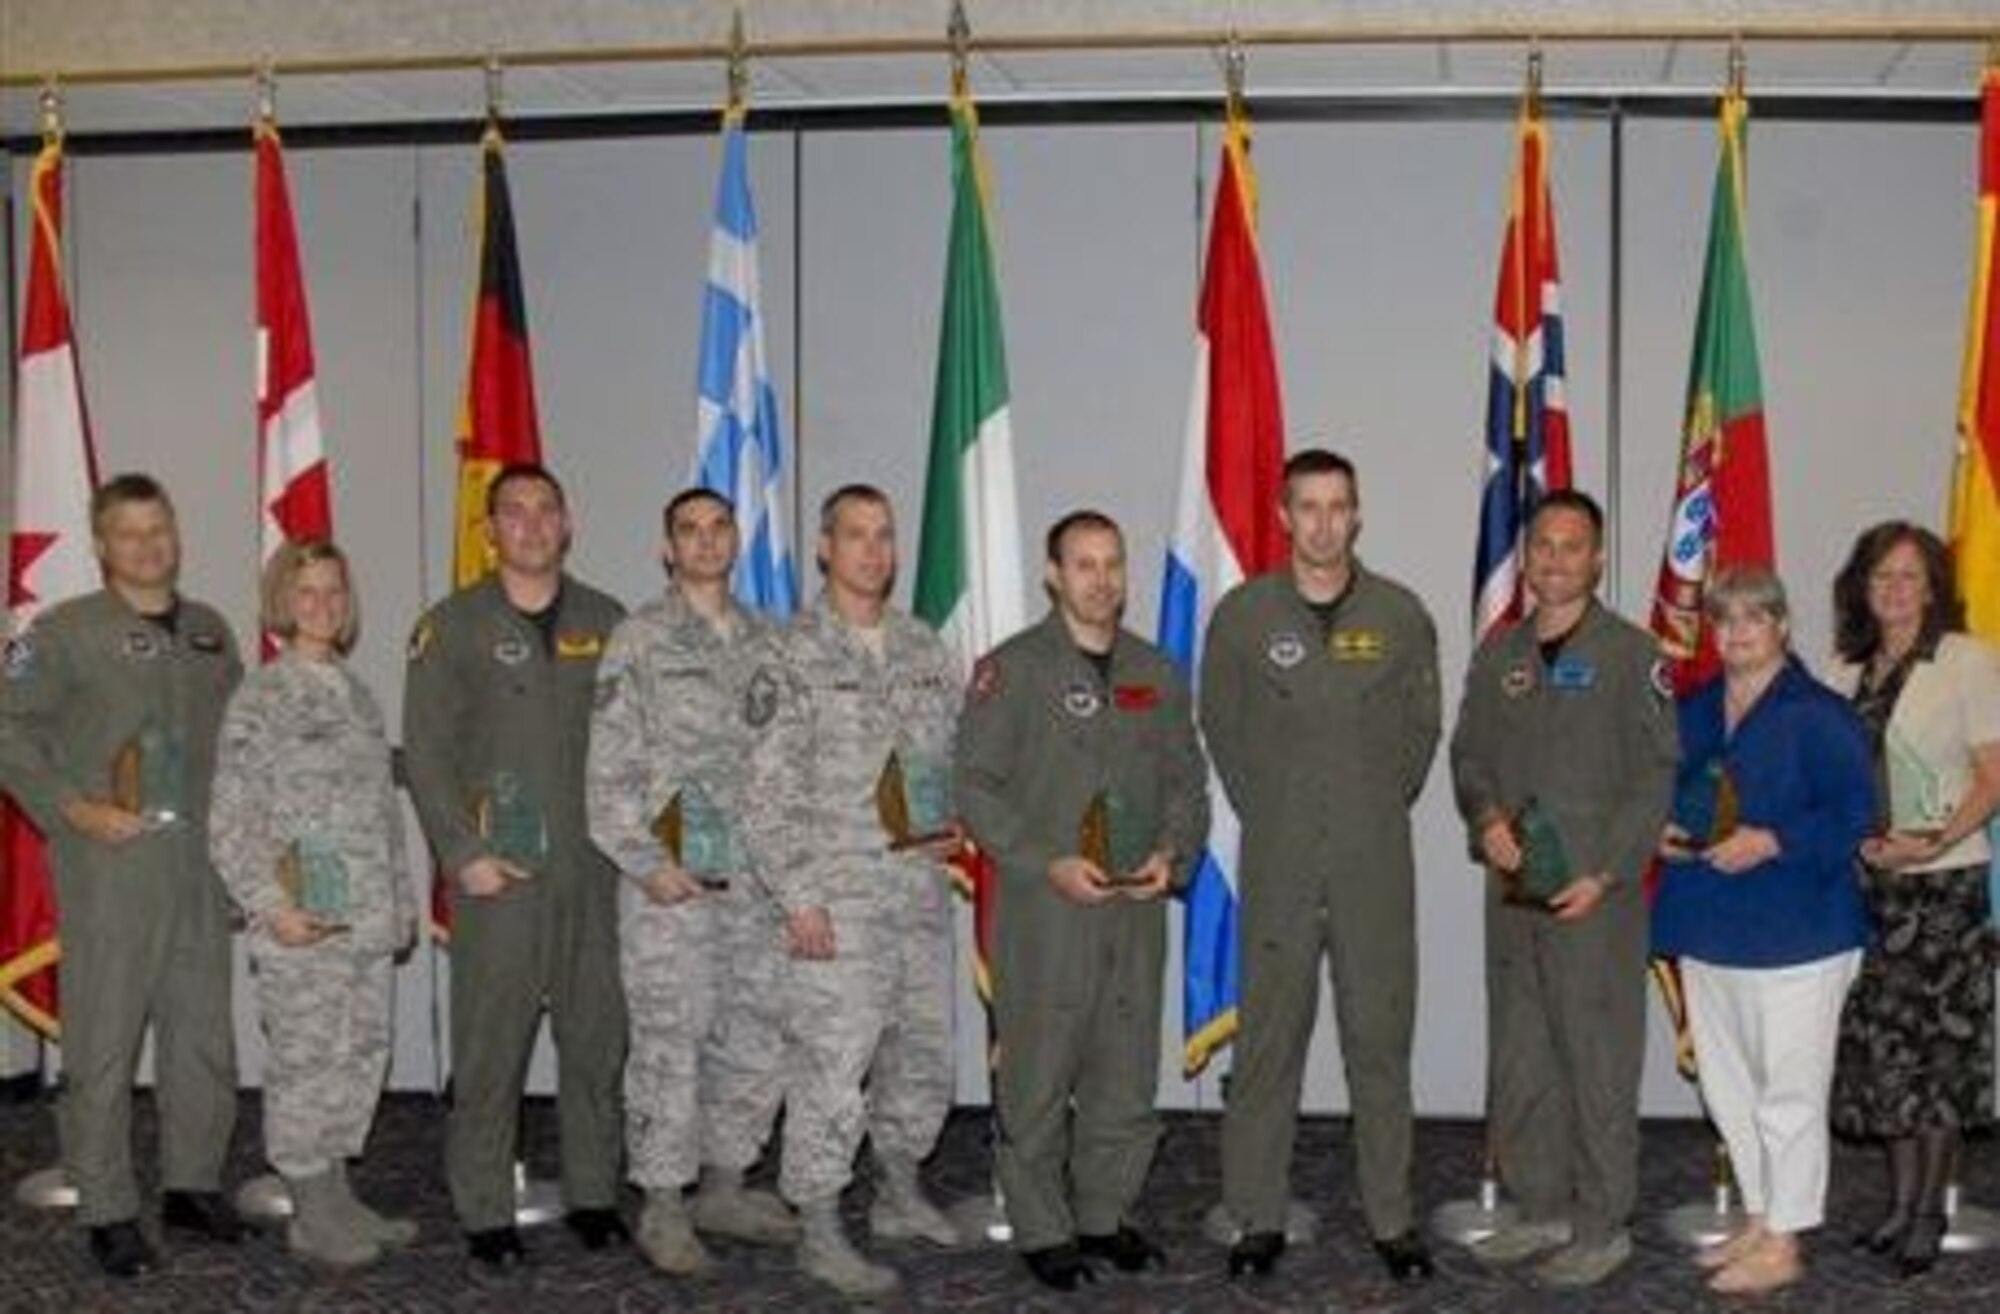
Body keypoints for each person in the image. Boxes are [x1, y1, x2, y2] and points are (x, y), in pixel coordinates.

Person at [1199, 448, 1441, 1282]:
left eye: (1339, 506)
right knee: (1268, 1048)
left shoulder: (1401, 615)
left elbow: (1420, 733)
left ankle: (1393, 1219)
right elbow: (1221, 727)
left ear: (1358, 514)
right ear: (1282, 514)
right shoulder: (1243, 616)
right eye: (1308, 507)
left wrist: (1372, 802)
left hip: (1376, 865)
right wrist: (1278, 806)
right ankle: (1256, 1216)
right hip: (1280, 863)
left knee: (1380, 1045)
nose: (1324, 523)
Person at [955, 510, 1209, 1291]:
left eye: (1113, 565)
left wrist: (1176, 853)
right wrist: (1044, 861)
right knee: (1038, 1076)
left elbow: (1185, 785)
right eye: (1085, 566)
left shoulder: (1155, 672)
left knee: (1124, 1074)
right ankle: (1042, 1227)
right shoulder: (1014, 670)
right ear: (1053, 576)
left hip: (1133, 912)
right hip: (1047, 911)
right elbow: (975, 787)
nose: (1101, 581)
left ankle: (1105, 1214)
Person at [0, 474, 246, 1278]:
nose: (148, 545)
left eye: (159, 528)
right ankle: (107, 1206)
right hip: (112, 864)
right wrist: (72, 807)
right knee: (104, 1044)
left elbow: (241, 752)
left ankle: (191, 1183)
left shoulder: (212, 633)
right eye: (129, 533)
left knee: (202, 1038)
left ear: (177, 533)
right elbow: (8, 727)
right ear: (103, 545)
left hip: (199, 867)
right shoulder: (63, 631)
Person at [402, 463, 629, 1275]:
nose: (532, 525)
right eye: (515, 513)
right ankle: (485, 1208)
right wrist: (462, 854)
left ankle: (595, 1195)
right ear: (489, 530)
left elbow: (637, 749)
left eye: (546, 511)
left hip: (595, 874)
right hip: (499, 879)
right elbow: (425, 757)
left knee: (598, 1041)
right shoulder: (450, 627)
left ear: (567, 525)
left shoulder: (609, 620)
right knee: (492, 1049)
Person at [737, 484, 963, 1299]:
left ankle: (900, 1192)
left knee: (923, 1054)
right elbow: (763, 793)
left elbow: (943, 758)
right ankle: (821, 1225)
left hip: (917, 894)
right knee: (833, 1067)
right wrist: (798, 897)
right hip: (835, 901)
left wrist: (947, 824)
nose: (872, 550)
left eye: (884, 536)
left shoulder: (922, 646)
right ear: (825, 548)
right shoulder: (788, 652)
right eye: (855, 535)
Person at [1449, 488, 1677, 1289]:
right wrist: (1484, 820)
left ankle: (1600, 1223)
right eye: (1542, 545)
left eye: (1572, 546)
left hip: (1595, 901)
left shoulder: (1630, 655)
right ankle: (1540, 1206)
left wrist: (1608, 870)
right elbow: (1468, 755)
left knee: (1596, 1060)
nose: (1553, 560)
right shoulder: (1500, 653)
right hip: (1513, 897)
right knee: (1522, 1058)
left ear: (1599, 558)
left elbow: (1656, 779)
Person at [587, 488, 798, 1275]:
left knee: (753, 1034)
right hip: (668, 890)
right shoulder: (638, 641)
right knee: (671, 1044)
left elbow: (786, 769)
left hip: (753, 886)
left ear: (736, 541)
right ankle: (665, 1205)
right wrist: (648, 864)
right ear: (667, 549)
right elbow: (606, 777)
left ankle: (724, 1183)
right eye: (689, 531)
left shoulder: (766, 641)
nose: (705, 543)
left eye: (718, 529)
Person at [1652, 566, 1875, 1295]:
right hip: (1712, 927)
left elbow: (1856, 814)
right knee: (1728, 1091)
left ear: (1782, 625)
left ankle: (1786, 1240)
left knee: (1789, 1094)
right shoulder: (1695, 707)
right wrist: (1662, 830)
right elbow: (1672, 790)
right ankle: (1758, 1216)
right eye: (1726, 621)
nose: (1739, 632)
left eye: (1755, 618)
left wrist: (1773, 840)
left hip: (1799, 932)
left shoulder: (1820, 713)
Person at [209, 540, 417, 1268]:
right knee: (305, 1062)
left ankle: (336, 1194)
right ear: (282, 601)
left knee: (357, 1056)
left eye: (334, 591)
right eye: (307, 593)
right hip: (300, 923)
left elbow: (380, 814)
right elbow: (231, 819)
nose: (322, 604)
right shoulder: (261, 695)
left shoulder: (356, 692)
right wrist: (271, 906)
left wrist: (399, 904)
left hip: (360, 919)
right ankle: (310, 1213)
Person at [1825, 523, 2000, 1277]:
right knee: (1886, 1059)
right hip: (1872, 891)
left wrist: (1931, 843)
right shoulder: (1845, 669)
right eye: (1880, 576)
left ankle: (1931, 1214)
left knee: (1937, 1060)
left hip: (1943, 888)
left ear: (1933, 587)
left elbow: (1993, 777)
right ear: (1861, 587)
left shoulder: (1968, 661)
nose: (1894, 589)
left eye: (1909, 576)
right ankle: (1898, 1206)